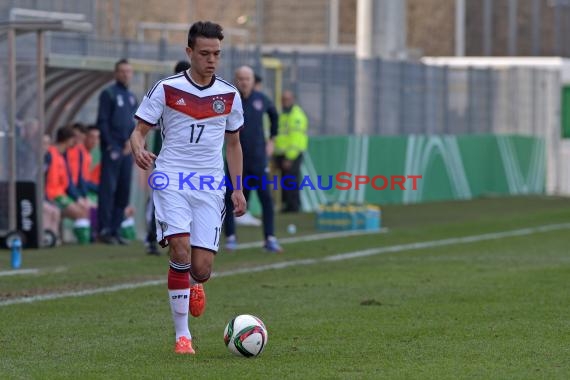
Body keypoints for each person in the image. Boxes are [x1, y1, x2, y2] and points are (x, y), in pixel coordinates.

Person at [130, 21, 246, 355]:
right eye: (205, 53)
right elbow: (138, 131)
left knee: (201, 268)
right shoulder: (166, 89)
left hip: (209, 185)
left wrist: (237, 188)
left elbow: (234, 144)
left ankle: (196, 283)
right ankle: (183, 336)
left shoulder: (228, 94)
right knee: (178, 248)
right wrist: (137, 146)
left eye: (217, 54)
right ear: (189, 52)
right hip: (172, 179)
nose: (212, 60)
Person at [223, 65, 283, 253]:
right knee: (230, 198)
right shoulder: (229, 100)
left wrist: (272, 140)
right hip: (236, 160)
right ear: (236, 80)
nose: (244, 82)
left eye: (247, 78)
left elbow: (274, 116)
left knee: (266, 197)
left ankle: (270, 238)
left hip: (258, 158)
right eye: (240, 78)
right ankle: (231, 237)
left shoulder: (261, 100)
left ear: (252, 81)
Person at [144, 60, 192, 256]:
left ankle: (183, 241)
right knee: (158, 200)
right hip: (164, 162)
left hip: (189, 163)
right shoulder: (165, 96)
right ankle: (151, 239)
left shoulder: (195, 100)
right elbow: (144, 125)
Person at [96, 58, 138, 245]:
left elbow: (135, 124)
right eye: (122, 71)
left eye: (128, 71)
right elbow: (102, 122)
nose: (125, 74)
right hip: (112, 149)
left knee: (123, 191)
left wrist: (132, 143)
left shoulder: (131, 97)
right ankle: (104, 230)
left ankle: (115, 229)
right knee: (108, 190)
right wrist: (112, 145)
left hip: (128, 150)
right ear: (116, 73)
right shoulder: (109, 94)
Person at [44, 126, 91, 244]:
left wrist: (78, 198)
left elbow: (67, 181)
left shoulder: (61, 156)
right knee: (80, 212)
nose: (74, 142)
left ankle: (56, 238)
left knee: (83, 209)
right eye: (72, 139)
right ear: (67, 139)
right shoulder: (50, 154)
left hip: (59, 194)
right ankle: (53, 238)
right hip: (52, 195)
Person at [274, 90, 309, 213]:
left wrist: (289, 157)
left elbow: (295, 139)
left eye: (287, 99)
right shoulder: (282, 114)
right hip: (281, 153)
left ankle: (293, 206)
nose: (285, 102)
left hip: (292, 155)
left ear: (293, 99)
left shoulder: (296, 116)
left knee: (291, 180)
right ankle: (288, 205)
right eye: (283, 99)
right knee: (286, 180)